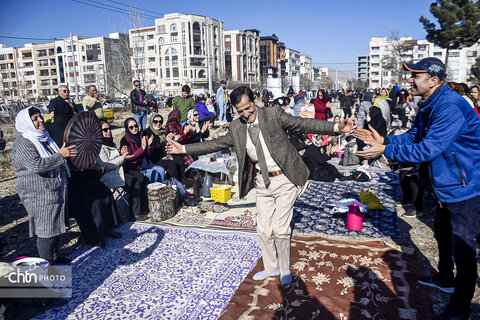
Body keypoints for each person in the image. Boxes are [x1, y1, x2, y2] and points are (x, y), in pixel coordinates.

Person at [166, 86, 357, 286]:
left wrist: (336, 128)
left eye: (248, 108)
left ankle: (284, 269)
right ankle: (271, 267)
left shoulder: (273, 114)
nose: (245, 114)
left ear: (255, 100)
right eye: (240, 111)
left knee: (280, 229)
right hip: (262, 182)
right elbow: (215, 144)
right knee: (264, 230)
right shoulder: (237, 127)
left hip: (285, 178)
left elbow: (302, 124)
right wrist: (184, 148)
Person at [355, 57, 480, 320]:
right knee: (443, 234)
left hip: (466, 187)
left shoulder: (450, 107)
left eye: (415, 75)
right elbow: (415, 136)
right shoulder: (429, 103)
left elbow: (428, 148)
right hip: (447, 185)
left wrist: (385, 149)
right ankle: (445, 278)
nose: (409, 80)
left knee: (464, 249)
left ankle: (460, 308)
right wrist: (386, 139)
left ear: (433, 80)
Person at [11, 107, 77, 263]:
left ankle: (54, 258)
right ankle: (47, 268)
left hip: (53, 191)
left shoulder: (43, 137)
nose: (40, 120)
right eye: (35, 119)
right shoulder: (23, 143)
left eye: (40, 116)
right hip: (38, 195)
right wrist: (60, 156)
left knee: (55, 227)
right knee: (46, 231)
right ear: (27, 123)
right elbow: (37, 165)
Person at [97, 120, 149, 221]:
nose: (108, 131)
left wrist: (121, 154)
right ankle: (134, 213)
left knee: (142, 177)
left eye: (109, 128)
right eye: (105, 130)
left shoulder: (111, 143)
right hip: (110, 174)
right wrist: (123, 157)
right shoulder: (99, 147)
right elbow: (106, 165)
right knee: (135, 182)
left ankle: (143, 207)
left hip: (120, 169)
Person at [120, 118, 166, 184]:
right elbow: (130, 157)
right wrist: (142, 149)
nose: (134, 128)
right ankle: (151, 191)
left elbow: (147, 154)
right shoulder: (125, 140)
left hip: (146, 163)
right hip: (135, 166)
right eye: (131, 127)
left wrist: (148, 147)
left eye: (136, 126)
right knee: (153, 174)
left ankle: (162, 189)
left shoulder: (141, 135)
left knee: (161, 170)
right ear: (127, 128)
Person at [143, 113, 185, 182]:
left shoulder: (163, 131)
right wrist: (165, 141)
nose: (158, 124)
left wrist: (173, 139)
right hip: (154, 158)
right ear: (151, 122)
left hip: (165, 155)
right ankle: (171, 184)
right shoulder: (148, 133)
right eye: (155, 122)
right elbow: (154, 148)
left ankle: (181, 182)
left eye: (160, 122)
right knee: (172, 165)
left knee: (181, 160)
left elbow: (168, 142)